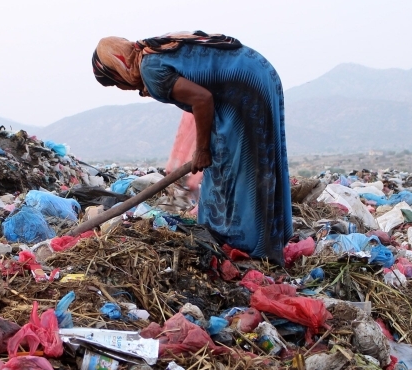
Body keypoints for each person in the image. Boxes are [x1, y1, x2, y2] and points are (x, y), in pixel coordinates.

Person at [92, 31, 292, 264]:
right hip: (256, 73)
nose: (123, 89)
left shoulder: (151, 69)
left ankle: (253, 248)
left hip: (244, 85)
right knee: (238, 162)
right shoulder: (150, 53)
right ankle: (245, 239)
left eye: (116, 83)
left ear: (119, 67)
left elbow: (202, 99)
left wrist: (203, 149)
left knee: (244, 166)